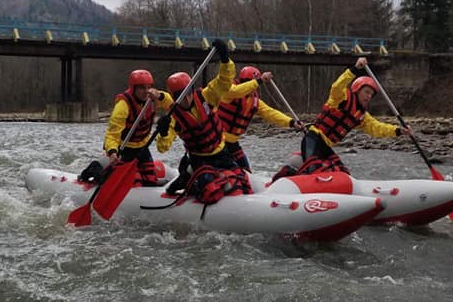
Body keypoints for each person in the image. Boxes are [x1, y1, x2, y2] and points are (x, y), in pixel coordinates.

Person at [273, 56, 411, 178]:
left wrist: (398, 131)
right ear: (357, 90)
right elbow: (337, 86)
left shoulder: (362, 115)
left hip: (326, 146)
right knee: (315, 171)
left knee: (342, 173)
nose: (369, 96)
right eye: (366, 92)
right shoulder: (341, 99)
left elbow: (377, 128)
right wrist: (355, 69)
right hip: (313, 139)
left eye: (371, 95)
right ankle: (287, 176)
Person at [156, 39, 252, 202]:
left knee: (243, 182)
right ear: (173, 96)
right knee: (210, 189)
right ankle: (189, 181)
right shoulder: (174, 117)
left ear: (192, 90)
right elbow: (163, 147)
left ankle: (192, 178)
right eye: (179, 95)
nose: (184, 98)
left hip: (221, 154)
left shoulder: (207, 96)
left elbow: (224, 81)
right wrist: (163, 132)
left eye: (186, 93)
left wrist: (224, 58)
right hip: (199, 159)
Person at [216, 66, 305, 171]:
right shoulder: (229, 92)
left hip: (232, 142)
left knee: (245, 169)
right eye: (245, 82)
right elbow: (238, 91)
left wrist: (291, 122)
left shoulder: (254, 102)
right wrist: (259, 80)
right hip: (217, 140)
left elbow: (271, 114)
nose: (250, 87)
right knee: (230, 169)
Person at [94, 69, 171, 185]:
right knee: (135, 181)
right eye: (141, 88)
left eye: (148, 87)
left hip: (142, 148)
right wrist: (113, 152)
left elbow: (171, 103)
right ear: (133, 88)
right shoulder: (123, 105)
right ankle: (97, 170)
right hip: (125, 149)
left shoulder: (153, 98)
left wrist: (160, 95)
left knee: (150, 180)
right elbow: (112, 134)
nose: (145, 91)